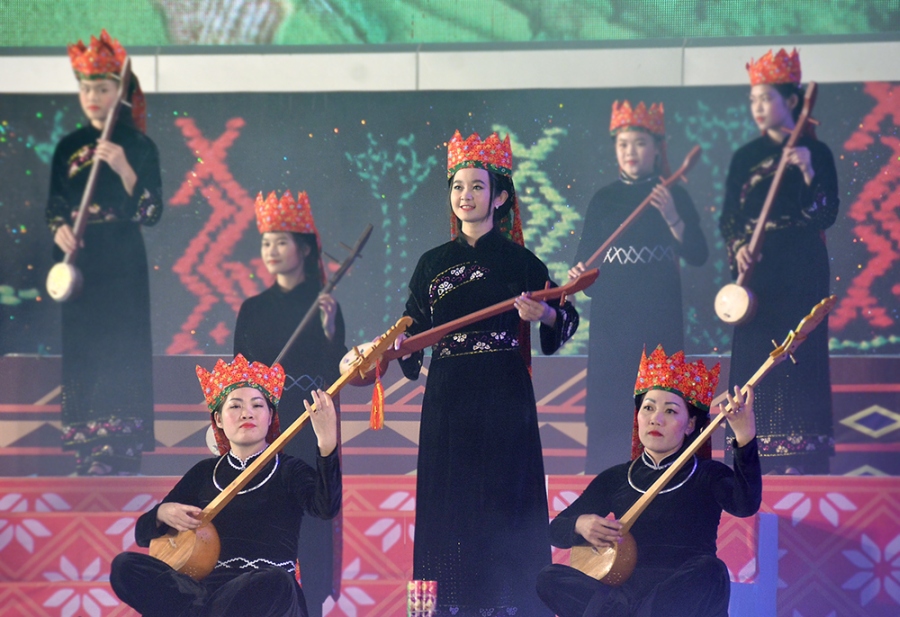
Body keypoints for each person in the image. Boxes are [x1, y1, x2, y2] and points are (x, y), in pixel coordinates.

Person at [395, 130, 579, 616]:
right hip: (448, 396)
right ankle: (449, 606)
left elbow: (566, 315)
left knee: (504, 500)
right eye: (458, 187)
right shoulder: (431, 264)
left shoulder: (520, 262)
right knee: (449, 501)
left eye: (477, 186)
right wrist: (400, 345)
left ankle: (510, 605)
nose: (466, 196)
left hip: (503, 394)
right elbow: (413, 323)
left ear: (499, 197)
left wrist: (545, 315)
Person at [536, 345, 761, 617]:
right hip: (623, 595)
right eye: (648, 408)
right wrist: (580, 524)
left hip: (680, 594)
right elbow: (555, 531)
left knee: (712, 572)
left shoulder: (708, 473)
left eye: (670, 411)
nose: (656, 419)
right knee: (549, 578)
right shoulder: (616, 478)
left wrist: (745, 438)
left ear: (690, 424)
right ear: (638, 417)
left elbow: (745, 505)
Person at [110, 354, 341, 617]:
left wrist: (327, 443)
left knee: (277, 581)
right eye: (235, 406)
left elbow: (326, 507)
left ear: (270, 417)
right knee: (125, 566)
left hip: (263, 594)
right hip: (209, 593)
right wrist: (162, 513)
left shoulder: (288, 469)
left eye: (257, 405)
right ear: (218, 419)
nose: (247, 413)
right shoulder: (204, 473)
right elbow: (142, 533)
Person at [47, 29, 162, 475]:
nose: (93, 97)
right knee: (85, 346)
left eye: (102, 88)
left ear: (120, 92)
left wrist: (124, 169)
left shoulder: (139, 146)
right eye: (86, 88)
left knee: (123, 344)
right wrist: (60, 230)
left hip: (123, 259)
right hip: (82, 262)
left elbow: (151, 211)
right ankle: (87, 445)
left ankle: (122, 447)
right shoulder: (67, 147)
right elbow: (55, 206)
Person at [570, 101, 708, 474]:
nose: (630, 151)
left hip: (658, 322)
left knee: (659, 400)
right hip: (611, 326)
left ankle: (662, 481)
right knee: (612, 408)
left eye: (640, 143)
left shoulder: (673, 193)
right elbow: (586, 273)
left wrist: (672, 217)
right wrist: (581, 273)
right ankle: (604, 481)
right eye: (623, 144)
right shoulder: (603, 199)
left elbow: (698, 254)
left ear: (656, 149)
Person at [720, 48, 838, 474]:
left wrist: (808, 172)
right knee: (757, 356)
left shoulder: (816, 152)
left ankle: (803, 458)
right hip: (758, 273)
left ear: (790, 100)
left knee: (798, 352)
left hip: (801, 267)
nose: (757, 107)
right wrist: (738, 246)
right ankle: (754, 453)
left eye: (766, 98)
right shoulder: (745, 157)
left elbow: (826, 213)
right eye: (753, 100)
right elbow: (729, 219)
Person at [232, 190, 346, 616]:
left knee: (312, 517)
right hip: (266, 427)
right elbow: (239, 377)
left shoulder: (325, 305)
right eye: (266, 242)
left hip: (309, 425)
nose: (272, 251)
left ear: (304, 248)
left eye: (281, 241)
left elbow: (336, 371)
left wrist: (330, 329)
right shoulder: (252, 309)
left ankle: (310, 602)